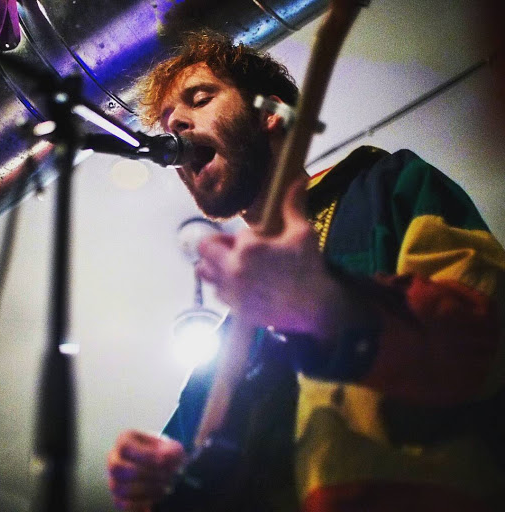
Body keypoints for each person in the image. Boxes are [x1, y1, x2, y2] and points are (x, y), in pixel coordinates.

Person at [107, 31, 505, 511]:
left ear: (271, 113)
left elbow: (489, 335)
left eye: (199, 98)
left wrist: (332, 307)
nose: (176, 125)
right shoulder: (229, 339)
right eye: (168, 120)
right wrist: (160, 478)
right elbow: (186, 471)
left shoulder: (387, 185)